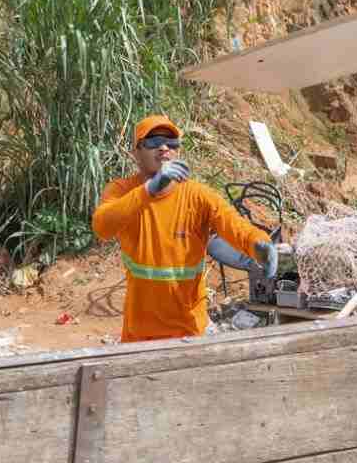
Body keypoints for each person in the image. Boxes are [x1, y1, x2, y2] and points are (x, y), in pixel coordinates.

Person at [92, 115, 273, 342]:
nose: (164, 147)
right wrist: (148, 190)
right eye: (153, 141)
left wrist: (260, 244)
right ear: (135, 152)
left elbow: (236, 227)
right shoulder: (121, 190)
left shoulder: (198, 196)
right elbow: (102, 226)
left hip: (190, 330)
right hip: (140, 334)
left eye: (172, 142)